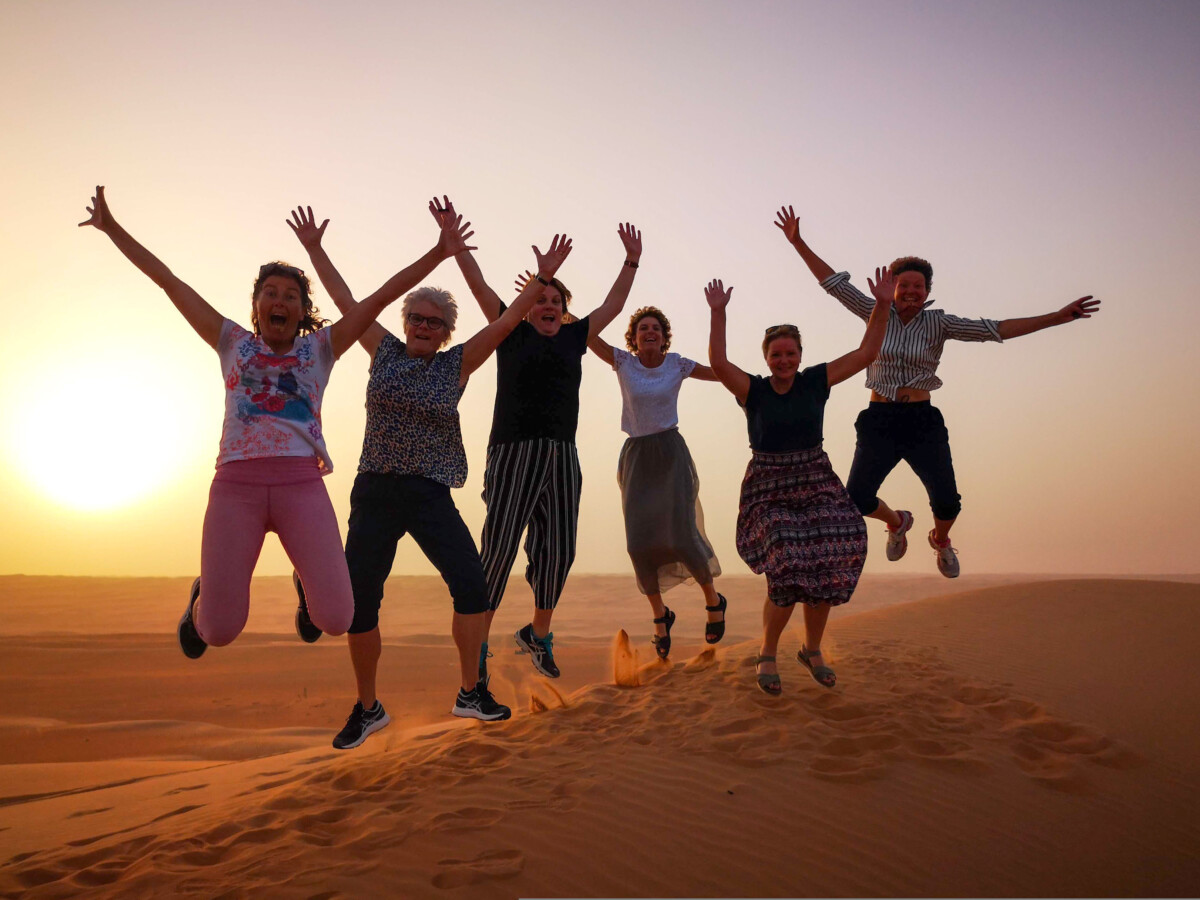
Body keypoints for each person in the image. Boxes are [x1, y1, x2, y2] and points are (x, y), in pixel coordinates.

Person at [79, 186, 412, 658]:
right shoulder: (231, 340)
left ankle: (305, 585)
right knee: (217, 631)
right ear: (256, 306)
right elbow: (169, 282)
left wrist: (439, 252)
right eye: (270, 293)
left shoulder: (321, 348)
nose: (280, 300)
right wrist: (112, 228)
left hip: (301, 484)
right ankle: (202, 599)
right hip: (237, 487)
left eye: (291, 296)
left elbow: (379, 299)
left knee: (337, 619)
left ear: (301, 312)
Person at [291, 202, 573, 748]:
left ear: (446, 333)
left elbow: (508, 321)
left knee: (472, 588)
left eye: (434, 322)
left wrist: (541, 278)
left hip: (430, 494)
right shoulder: (383, 351)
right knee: (360, 602)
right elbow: (349, 301)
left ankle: (472, 691)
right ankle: (367, 706)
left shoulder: (457, 364)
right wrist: (315, 250)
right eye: (416, 318)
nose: (423, 326)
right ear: (405, 324)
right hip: (376, 490)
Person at [775, 205, 1100, 577]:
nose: (911, 291)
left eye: (918, 285)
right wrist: (798, 242)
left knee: (948, 502)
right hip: (879, 418)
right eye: (904, 285)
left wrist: (1057, 316)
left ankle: (941, 541)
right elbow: (834, 285)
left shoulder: (939, 323)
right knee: (858, 499)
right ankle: (897, 522)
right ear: (892, 288)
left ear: (927, 290)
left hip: (922, 421)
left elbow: (996, 329)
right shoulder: (874, 311)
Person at [439, 198, 642, 680]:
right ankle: (480, 646)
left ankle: (537, 634)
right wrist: (456, 245)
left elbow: (613, 305)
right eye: (541, 300)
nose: (548, 306)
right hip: (513, 451)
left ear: (565, 312)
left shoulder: (575, 338)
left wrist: (631, 261)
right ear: (528, 307)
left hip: (562, 455)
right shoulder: (511, 331)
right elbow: (479, 286)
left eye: (556, 302)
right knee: (500, 546)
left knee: (560, 549)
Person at [705, 272, 891, 693]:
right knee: (787, 558)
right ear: (767, 358)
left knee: (834, 548)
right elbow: (718, 364)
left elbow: (866, 352)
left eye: (790, 353)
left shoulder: (815, 381)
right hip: (768, 488)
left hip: (816, 480)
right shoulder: (752, 390)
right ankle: (767, 653)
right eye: (776, 354)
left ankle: (811, 649)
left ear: (800, 355)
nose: (784, 360)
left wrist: (881, 305)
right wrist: (719, 314)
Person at [585, 305, 727, 660]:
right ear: (633, 338)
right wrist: (549, 291)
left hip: (670, 455)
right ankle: (660, 617)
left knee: (681, 535)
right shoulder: (623, 362)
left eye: (656, 329)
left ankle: (713, 602)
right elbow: (586, 334)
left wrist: (759, 381)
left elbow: (722, 373)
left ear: (665, 338)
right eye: (643, 329)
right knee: (638, 544)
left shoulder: (678, 365)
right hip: (636, 458)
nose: (649, 333)